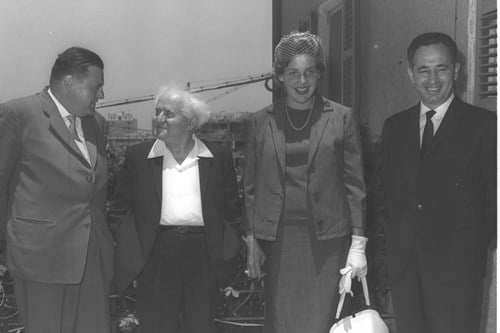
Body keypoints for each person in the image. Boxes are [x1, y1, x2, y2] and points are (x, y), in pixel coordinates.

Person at [242, 31, 368, 333]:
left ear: (320, 74)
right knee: (282, 321)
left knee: (323, 320)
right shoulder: (261, 121)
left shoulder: (342, 118)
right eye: (293, 73)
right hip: (278, 240)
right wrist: (251, 239)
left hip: (328, 242)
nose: (302, 81)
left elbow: (355, 185)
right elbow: (249, 188)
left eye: (310, 72)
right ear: (280, 76)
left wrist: (358, 243)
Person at [381, 32, 496, 333]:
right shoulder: (394, 128)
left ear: (456, 70)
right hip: (406, 271)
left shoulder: (485, 127)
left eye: (441, 68)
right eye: (423, 70)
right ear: (410, 74)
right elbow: (388, 197)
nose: (433, 79)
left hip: (457, 274)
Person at [108, 85, 241, 333]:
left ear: (190, 123)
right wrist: (133, 248)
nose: (158, 119)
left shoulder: (218, 157)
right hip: (156, 254)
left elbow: (232, 211)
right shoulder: (138, 156)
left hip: (204, 254)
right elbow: (118, 210)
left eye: (167, 114)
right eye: (157, 112)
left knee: (199, 325)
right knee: (156, 326)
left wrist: (226, 252)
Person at [0, 47, 112, 333]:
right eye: (96, 87)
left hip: (91, 260)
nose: (101, 95)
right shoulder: (19, 113)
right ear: (69, 82)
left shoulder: (96, 124)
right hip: (40, 259)